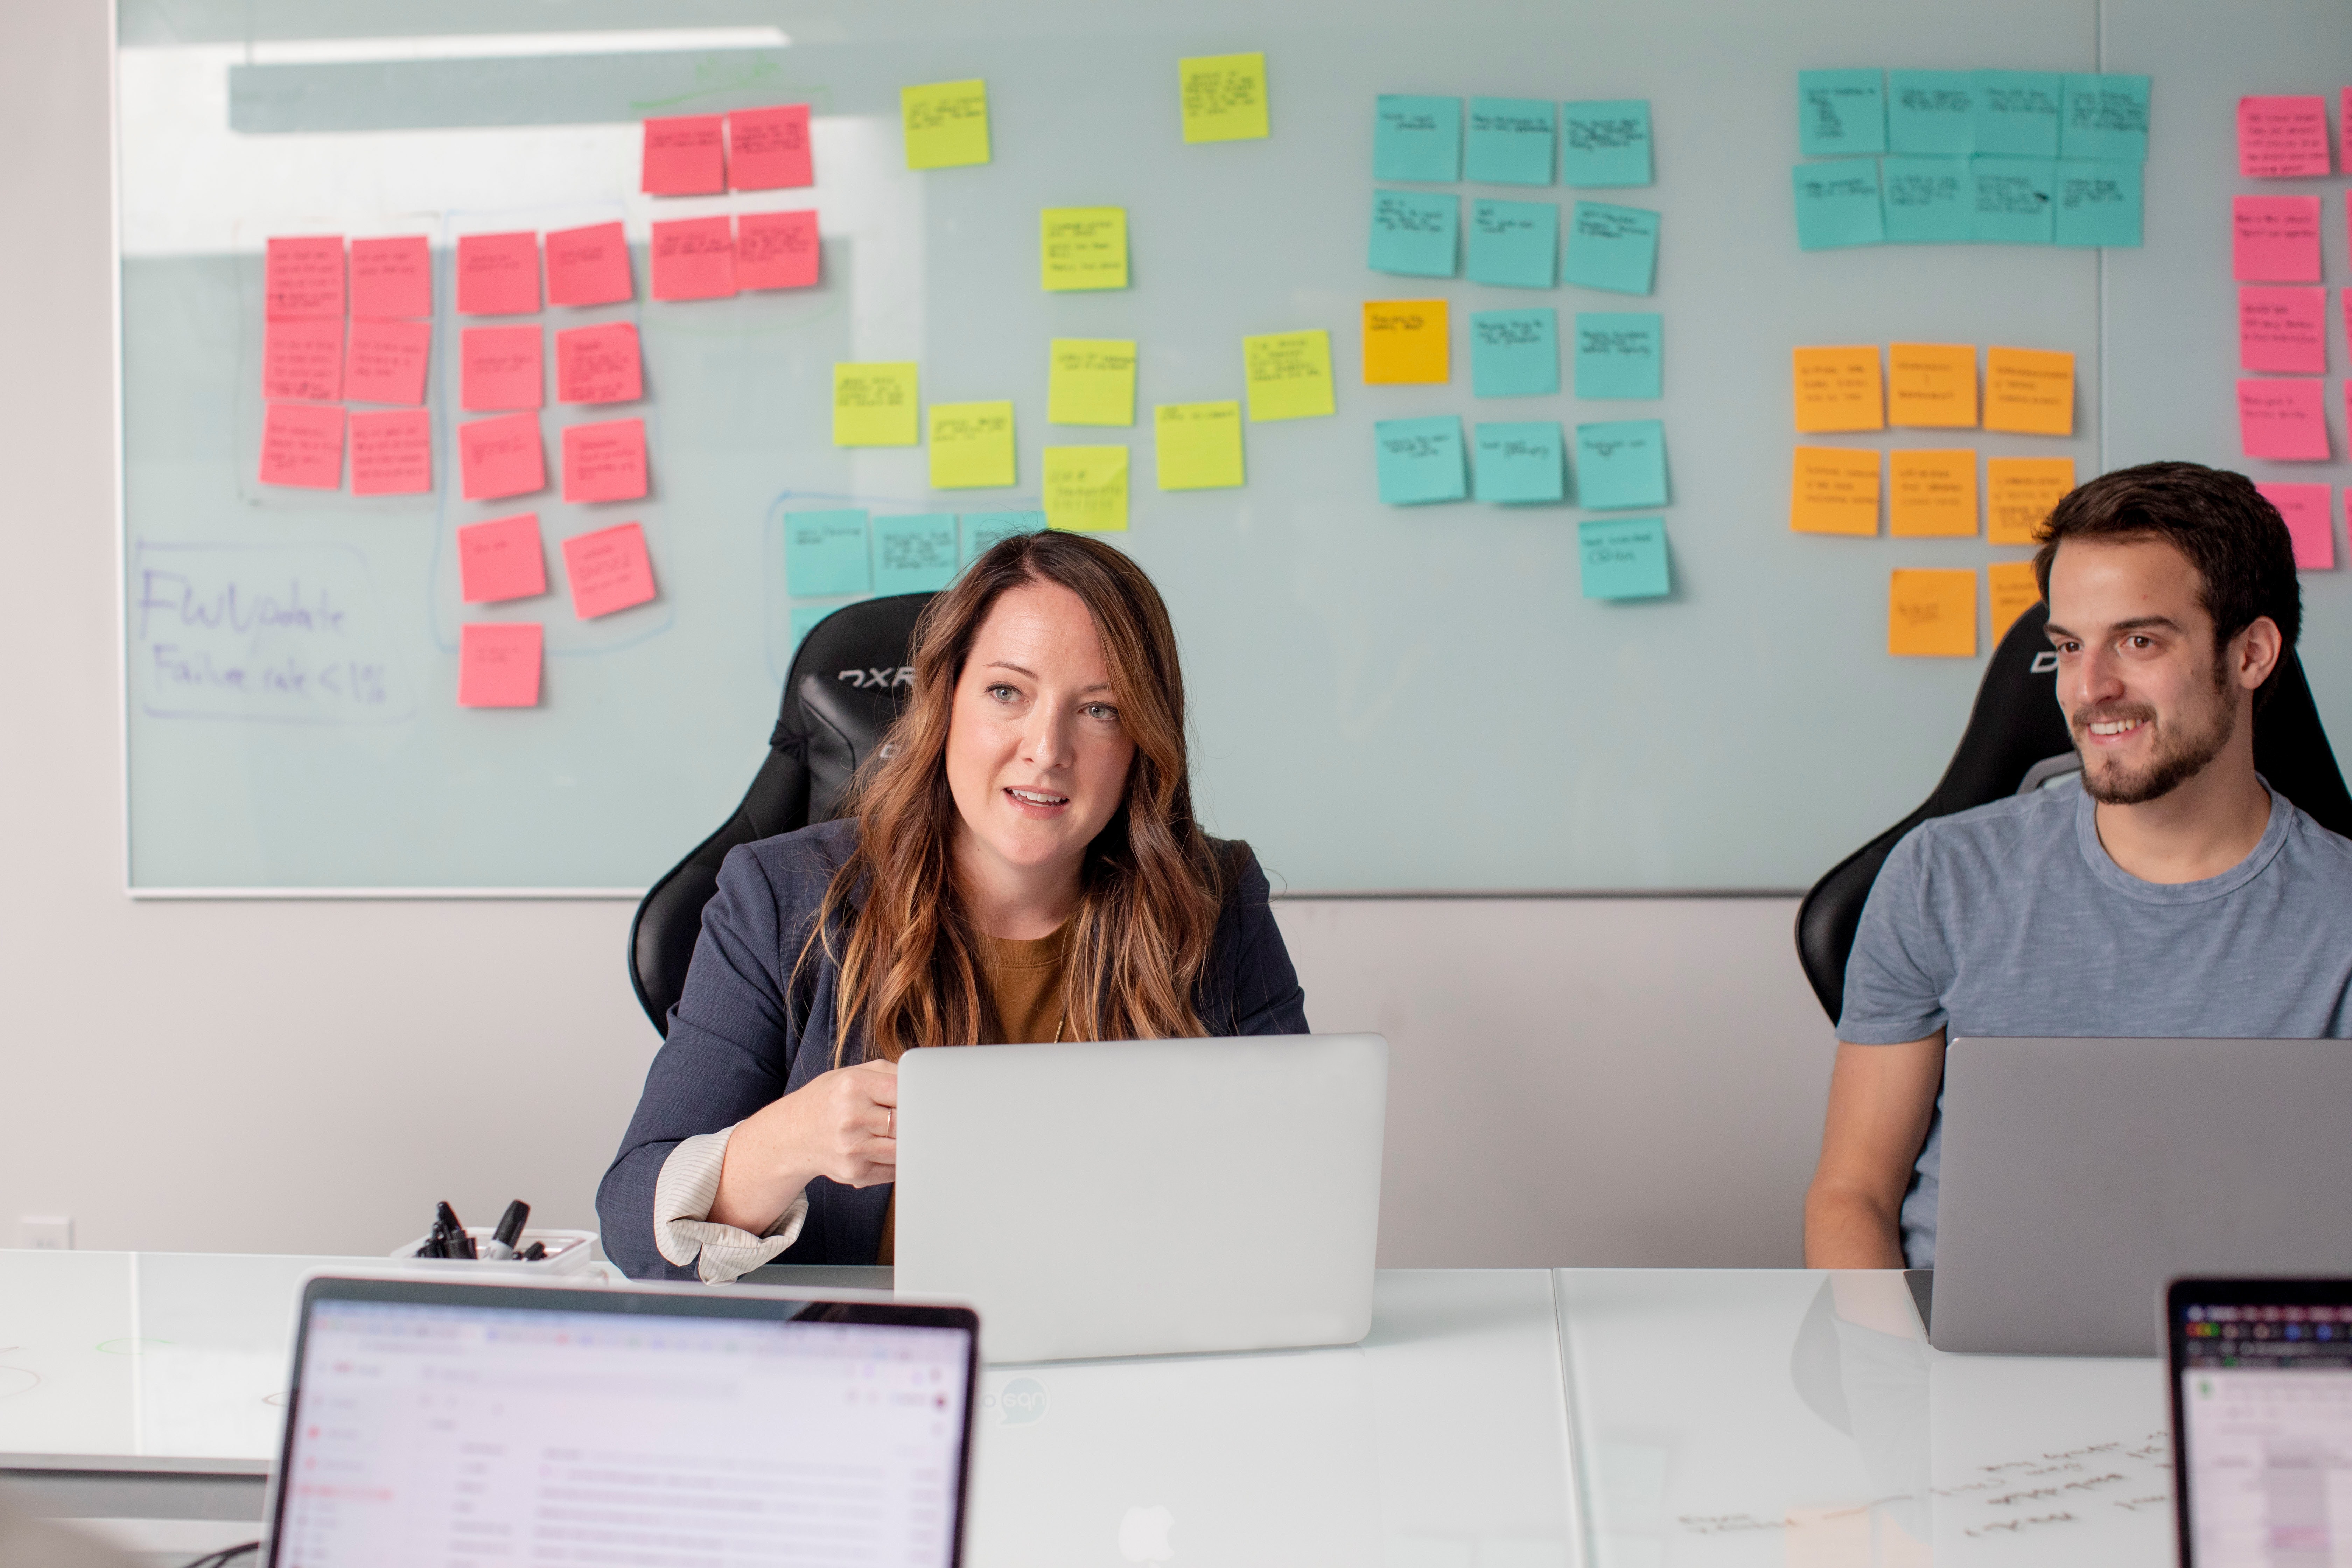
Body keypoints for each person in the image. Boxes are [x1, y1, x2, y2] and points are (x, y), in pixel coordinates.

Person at [599, 531, 1309, 1280]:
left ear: (1142, 738)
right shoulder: (780, 896)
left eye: (1099, 709)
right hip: (870, 1361)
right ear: (945, 701)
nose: (1046, 748)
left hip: (1120, 1350)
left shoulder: (1214, 897)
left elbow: (1303, 1183)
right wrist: (792, 1139)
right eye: (1008, 692)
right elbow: (631, 1226)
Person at [1805, 462, 2352, 1270]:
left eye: (2138, 640)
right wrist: (1893, 1381)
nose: (2089, 688)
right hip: (1961, 1363)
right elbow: (1854, 1195)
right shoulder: (1940, 878)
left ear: (2252, 653)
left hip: (2249, 1361)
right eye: (2068, 645)